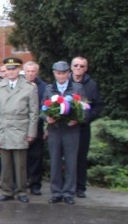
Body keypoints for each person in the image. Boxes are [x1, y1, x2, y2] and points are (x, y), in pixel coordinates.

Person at [0, 57, 38, 203]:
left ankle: (21, 191)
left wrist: (31, 133)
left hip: (20, 128)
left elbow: (33, 113)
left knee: (20, 163)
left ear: (19, 70)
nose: (11, 72)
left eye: (14, 69)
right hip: (4, 127)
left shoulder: (29, 87)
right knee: (5, 163)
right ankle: (6, 190)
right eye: (8, 69)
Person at [46, 61, 83, 204]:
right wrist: (47, 118)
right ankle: (56, 192)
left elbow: (85, 109)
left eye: (64, 73)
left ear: (69, 73)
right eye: (58, 73)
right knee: (54, 161)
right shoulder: (49, 89)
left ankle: (68, 192)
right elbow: (42, 108)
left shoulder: (77, 88)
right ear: (54, 73)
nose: (61, 76)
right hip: (54, 130)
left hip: (71, 130)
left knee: (71, 162)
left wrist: (78, 119)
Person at [70, 56, 103, 198]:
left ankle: (80, 188)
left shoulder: (92, 85)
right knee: (66, 158)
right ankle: (67, 187)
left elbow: (98, 105)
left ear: (86, 68)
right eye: (76, 65)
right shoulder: (65, 82)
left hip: (83, 127)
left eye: (82, 66)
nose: (79, 68)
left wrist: (86, 118)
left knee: (81, 158)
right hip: (66, 127)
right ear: (71, 67)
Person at [23, 61, 47, 195]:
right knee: (22, 157)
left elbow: (46, 107)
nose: (31, 74)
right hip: (21, 126)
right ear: (24, 72)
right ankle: (22, 182)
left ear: (36, 72)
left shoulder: (43, 87)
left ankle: (35, 184)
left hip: (37, 126)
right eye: (28, 71)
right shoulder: (20, 85)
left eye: (33, 71)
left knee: (36, 157)